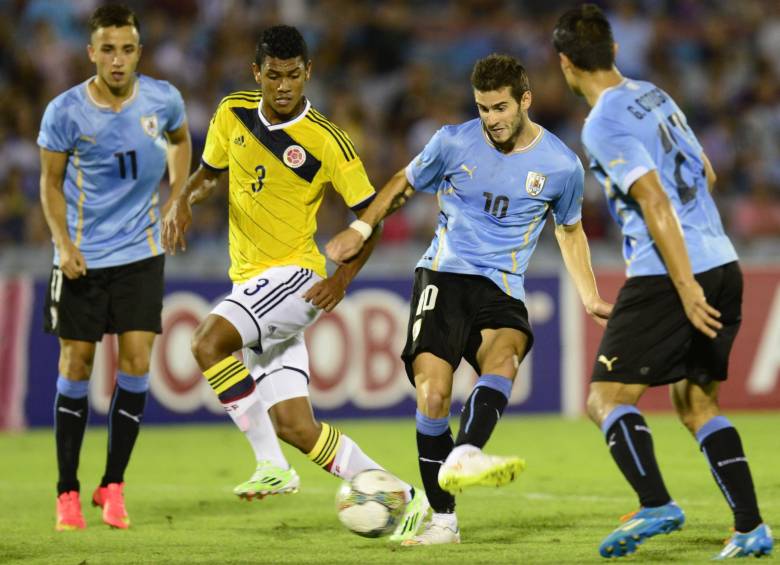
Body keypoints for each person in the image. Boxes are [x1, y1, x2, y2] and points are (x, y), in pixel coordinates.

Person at [326, 53, 612, 546]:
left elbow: (570, 232)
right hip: (444, 275)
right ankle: (444, 520)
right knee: (433, 395)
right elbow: (402, 183)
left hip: (502, 285)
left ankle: (467, 451)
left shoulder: (562, 165)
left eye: (500, 108)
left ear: (525, 100)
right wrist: (360, 225)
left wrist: (588, 294)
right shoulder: (452, 142)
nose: (491, 120)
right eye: (482, 109)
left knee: (505, 355)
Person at [161, 25, 428, 542]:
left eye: (293, 76)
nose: (283, 86)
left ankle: (270, 464)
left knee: (206, 342)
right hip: (253, 284)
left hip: (294, 276)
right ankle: (405, 498)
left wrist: (343, 277)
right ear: (256, 73)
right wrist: (183, 199)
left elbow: (367, 219)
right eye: (274, 75)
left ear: (308, 73)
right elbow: (211, 171)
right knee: (297, 428)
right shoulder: (231, 111)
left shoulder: (328, 141)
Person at [553, 4, 773, 560]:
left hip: (668, 272)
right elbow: (707, 168)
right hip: (722, 258)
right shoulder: (655, 94)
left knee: (605, 399)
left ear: (564, 64)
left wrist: (684, 284)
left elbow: (652, 199)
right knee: (697, 402)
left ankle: (655, 502)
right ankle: (750, 527)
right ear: (615, 50)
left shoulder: (602, 122)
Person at [37, 4, 191, 531]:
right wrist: (62, 243)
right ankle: (67, 492)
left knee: (137, 362)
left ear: (139, 52)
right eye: (108, 49)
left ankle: (114, 484)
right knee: (76, 364)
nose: (118, 60)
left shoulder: (163, 98)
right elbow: (49, 184)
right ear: (91, 53)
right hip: (82, 256)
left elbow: (180, 139)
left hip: (140, 254)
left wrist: (177, 196)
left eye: (127, 49)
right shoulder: (65, 111)